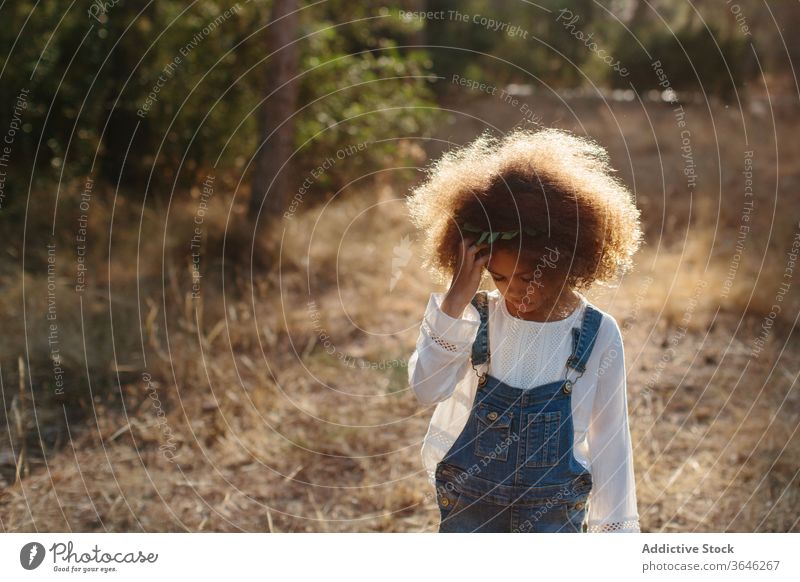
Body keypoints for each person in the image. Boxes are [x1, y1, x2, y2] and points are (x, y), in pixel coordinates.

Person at [405, 128, 644, 533]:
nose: (518, 294)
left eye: (531, 276)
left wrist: (616, 539)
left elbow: (611, 447)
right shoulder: (472, 319)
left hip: (553, 523)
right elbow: (425, 389)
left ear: (568, 261)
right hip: (470, 516)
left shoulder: (598, 333)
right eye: (498, 278)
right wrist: (455, 300)